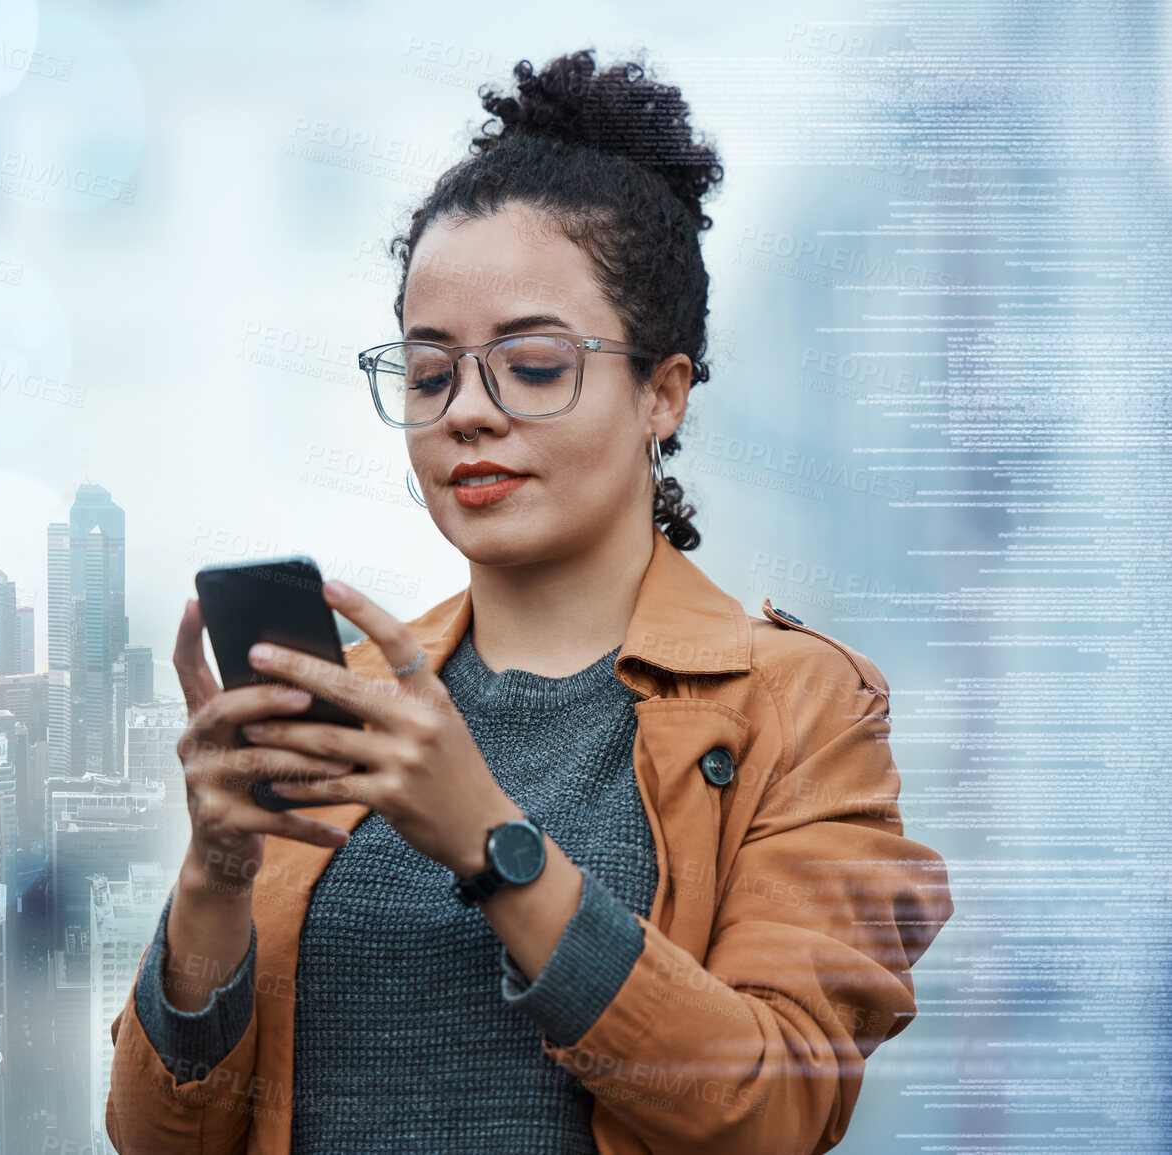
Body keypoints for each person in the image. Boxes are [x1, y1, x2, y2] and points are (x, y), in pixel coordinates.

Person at [105, 47, 953, 1154]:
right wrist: (213, 881)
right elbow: (159, 1141)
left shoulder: (800, 708)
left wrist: (490, 842)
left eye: (534, 366)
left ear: (663, 392)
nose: (467, 412)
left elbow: (773, 1109)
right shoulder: (355, 706)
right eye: (428, 373)